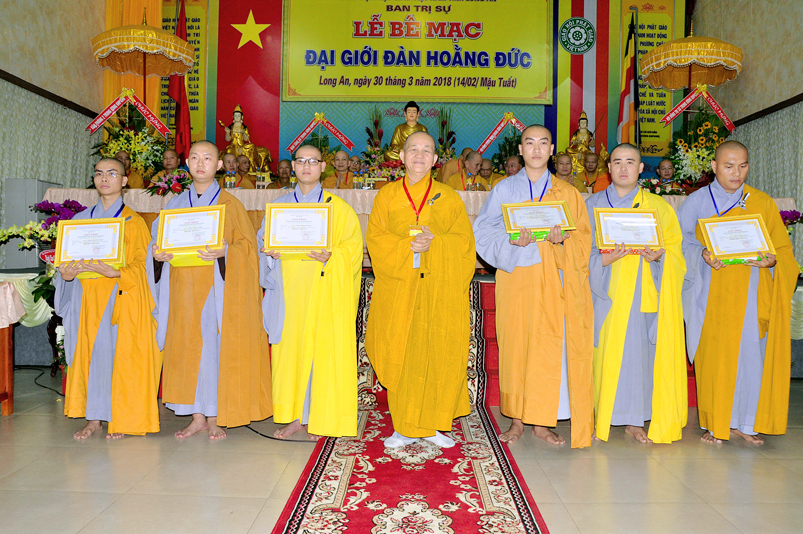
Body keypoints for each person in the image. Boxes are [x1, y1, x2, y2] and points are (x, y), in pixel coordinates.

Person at [473, 125, 594, 448]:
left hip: (553, 278)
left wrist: (562, 240)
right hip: (516, 276)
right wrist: (511, 241)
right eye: (530, 143)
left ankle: (541, 422)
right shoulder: (504, 188)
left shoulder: (567, 192)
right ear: (521, 149)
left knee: (546, 346)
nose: (537, 149)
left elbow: (583, 238)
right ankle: (516, 420)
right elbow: (483, 231)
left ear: (551, 150)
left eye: (543, 143)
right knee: (515, 345)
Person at [147, 141, 273, 440]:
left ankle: (215, 415)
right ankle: (197, 416)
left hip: (218, 291)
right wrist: (157, 254)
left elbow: (248, 250)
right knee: (186, 349)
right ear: (186, 164)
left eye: (207, 158)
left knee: (214, 350)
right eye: (194, 157)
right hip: (181, 288)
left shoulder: (231, 204)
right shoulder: (174, 205)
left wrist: (226, 251)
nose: (200, 163)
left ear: (218, 165)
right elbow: (157, 241)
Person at [677, 140, 796, 444]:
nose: (736, 173)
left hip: (753, 293)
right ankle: (716, 423)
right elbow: (680, 244)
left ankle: (746, 423)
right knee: (715, 359)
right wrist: (702, 253)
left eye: (742, 166)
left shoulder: (761, 202)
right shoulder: (696, 202)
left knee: (751, 359)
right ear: (714, 166)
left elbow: (782, 250)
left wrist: (772, 262)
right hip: (711, 292)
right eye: (729, 166)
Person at [366, 131, 475, 448]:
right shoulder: (387, 195)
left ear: (435, 159)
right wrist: (407, 246)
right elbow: (376, 239)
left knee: (435, 351)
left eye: (426, 150)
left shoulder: (448, 196)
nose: (419, 155)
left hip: (438, 288)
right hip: (400, 287)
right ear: (401, 156)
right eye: (413, 149)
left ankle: (430, 425)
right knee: (401, 351)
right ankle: (403, 427)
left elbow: (465, 243)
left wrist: (435, 243)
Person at [259, 145, 363, 440]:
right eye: (301, 161)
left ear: (322, 167)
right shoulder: (277, 208)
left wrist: (333, 256)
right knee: (290, 355)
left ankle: (319, 417)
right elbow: (264, 244)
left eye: (313, 161)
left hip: (324, 292)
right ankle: (294, 417)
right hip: (289, 292)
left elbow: (354, 250)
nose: (306, 166)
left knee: (321, 353)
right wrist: (269, 253)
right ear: (293, 166)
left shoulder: (338, 208)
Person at [586, 143, 687, 444]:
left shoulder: (658, 206)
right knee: (601, 356)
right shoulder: (592, 205)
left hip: (643, 293)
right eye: (617, 162)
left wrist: (659, 257)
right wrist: (604, 259)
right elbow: (577, 252)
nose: (623, 168)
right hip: (604, 293)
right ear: (608, 168)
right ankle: (599, 415)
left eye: (630, 162)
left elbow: (676, 252)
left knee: (639, 358)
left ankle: (634, 420)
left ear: (641, 168)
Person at [56, 158, 161, 440]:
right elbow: (65, 262)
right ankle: (94, 419)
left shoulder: (134, 223)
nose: (105, 178)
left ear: (124, 181)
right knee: (89, 356)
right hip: (85, 298)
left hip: (119, 297)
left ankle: (120, 416)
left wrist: (116, 272)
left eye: (112, 173)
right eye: (99, 173)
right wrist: (65, 275)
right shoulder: (79, 221)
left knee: (116, 357)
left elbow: (142, 267)